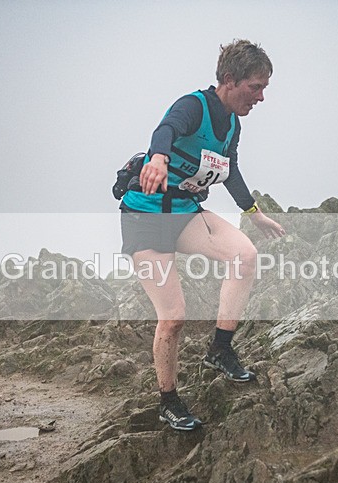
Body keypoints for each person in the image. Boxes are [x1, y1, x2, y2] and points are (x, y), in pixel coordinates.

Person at [119, 39, 285, 431]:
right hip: (146, 218)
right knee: (174, 317)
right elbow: (166, 130)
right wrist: (158, 157)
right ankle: (169, 401)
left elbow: (232, 170)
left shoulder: (233, 125)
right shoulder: (193, 106)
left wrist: (253, 212)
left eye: (265, 88)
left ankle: (220, 350)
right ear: (230, 80)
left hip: (186, 213)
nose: (261, 97)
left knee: (244, 256)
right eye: (255, 87)